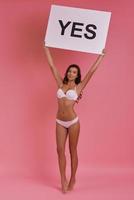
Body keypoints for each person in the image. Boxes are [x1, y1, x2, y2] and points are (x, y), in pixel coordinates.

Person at [44, 43, 105, 193]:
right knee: (59, 150)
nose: (71, 73)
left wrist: (101, 56)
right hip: (59, 121)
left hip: (73, 122)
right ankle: (63, 179)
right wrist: (46, 47)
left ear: (78, 75)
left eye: (74, 72)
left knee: (72, 151)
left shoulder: (79, 87)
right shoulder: (60, 83)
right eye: (70, 71)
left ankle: (73, 178)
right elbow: (52, 66)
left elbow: (92, 71)